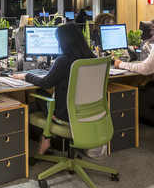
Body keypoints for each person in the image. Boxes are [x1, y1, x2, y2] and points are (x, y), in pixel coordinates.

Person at [12, 23, 96, 154]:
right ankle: (45, 138)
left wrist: (26, 76)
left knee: (39, 93)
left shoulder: (63, 61)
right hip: (89, 114)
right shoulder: (93, 59)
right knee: (37, 105)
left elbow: (46, 83)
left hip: (65, 117)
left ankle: (45, 138)